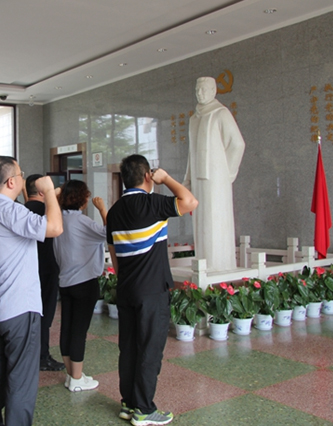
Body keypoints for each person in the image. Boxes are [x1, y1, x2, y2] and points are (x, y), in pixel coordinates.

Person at [107, 154, 197, 426]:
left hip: (127, 290)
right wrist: (166, 178)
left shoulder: (114, 211)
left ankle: (128, 403)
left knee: (129, 348)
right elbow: (190, 202)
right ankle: (144, 410)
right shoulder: (153, 203)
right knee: (149, 350)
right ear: (148, 176)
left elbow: (115, 256)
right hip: (152, 291)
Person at [0, 156, 63, 426]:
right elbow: (55, 228)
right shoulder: (10, 211)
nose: (23, 180)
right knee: (21, 380)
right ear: (11, 181)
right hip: (19, 309)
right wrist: (48, 192)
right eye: (21, 175)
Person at [184, 76, 245, 272]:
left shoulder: (221, 113)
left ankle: (219, 265)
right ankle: (204, 264)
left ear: (213, 91)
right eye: (197, 90)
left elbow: (237, 144)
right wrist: (188, 179)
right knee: (201, 221)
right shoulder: (194, 119)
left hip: (216, 179)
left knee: (215, 219)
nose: (200, 94)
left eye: (204, 90)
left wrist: (227, 174)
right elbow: (191, 153)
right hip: (199, 180)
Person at [53, 180, 107, 392]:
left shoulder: (58, 218)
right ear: (82, 200)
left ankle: (71, 374)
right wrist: (102, 209)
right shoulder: (82, 222)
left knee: (67, 327)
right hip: (84, 283)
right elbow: (110, 233)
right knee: (79, 331)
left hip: (65, 282)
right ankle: (76, 379)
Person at [24, 174, 65, 372]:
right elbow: (57, 228)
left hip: (27, 271)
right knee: (44, 316)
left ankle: (31, 354)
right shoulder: (46, 211)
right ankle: (42, 356)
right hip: (46, 270)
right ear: (42, 191)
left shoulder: (22, 210)